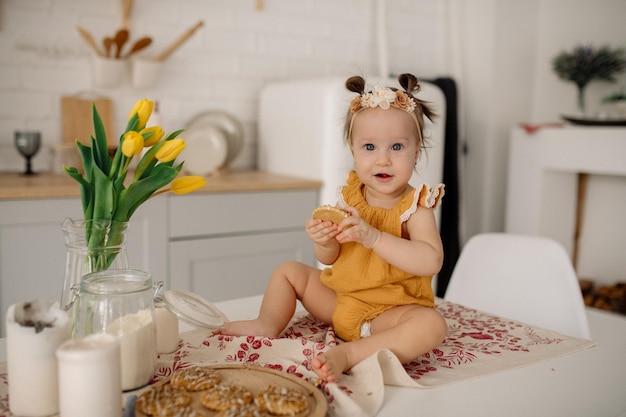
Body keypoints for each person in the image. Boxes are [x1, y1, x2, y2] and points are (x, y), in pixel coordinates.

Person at [215, 73, 447, 383]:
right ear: (353, 151)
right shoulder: (349, 198)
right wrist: (323, 241)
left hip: (388, 314)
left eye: (396, 147)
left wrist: (375, 237)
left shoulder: (415, 208)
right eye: (369, 147)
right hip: (341, 301)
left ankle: (351, 354)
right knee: (288, 271)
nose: (382, 159)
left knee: (431, 325)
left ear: (416, 153)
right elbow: (330, 259)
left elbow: (430, 260)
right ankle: (267, 323)